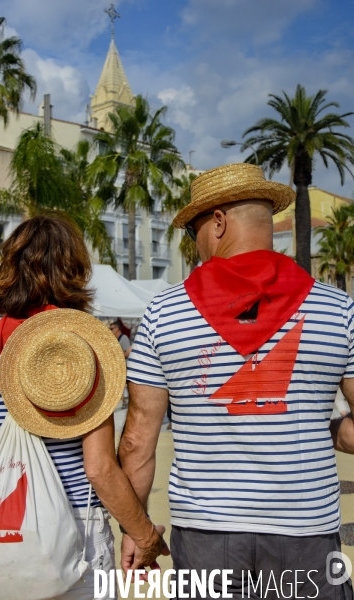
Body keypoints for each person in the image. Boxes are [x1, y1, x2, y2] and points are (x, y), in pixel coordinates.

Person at [119, 164, 354, 599]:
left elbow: (136, 441)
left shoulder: (164, 314)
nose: (194, 246)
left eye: (194, 233)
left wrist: (137, 530)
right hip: (307, 533)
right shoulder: (338, 309)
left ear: (219, 223)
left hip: (207, 535)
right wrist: (331, 431)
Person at [0, 214, 168, 600]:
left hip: (6, 531)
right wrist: (142, 534)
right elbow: (99, 468)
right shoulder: (84, 352)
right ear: (72, 269)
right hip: (78, 533)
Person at [110, 320, 131, 408]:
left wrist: (117, 357)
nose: (110, 330)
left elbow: (128, 351)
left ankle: (126, 401)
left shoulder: (124, 338)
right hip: (121, 366)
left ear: (117, 329)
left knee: (124, 385)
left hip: (126, 365)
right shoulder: (117, 339)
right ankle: (124, 400)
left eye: (112, 328)